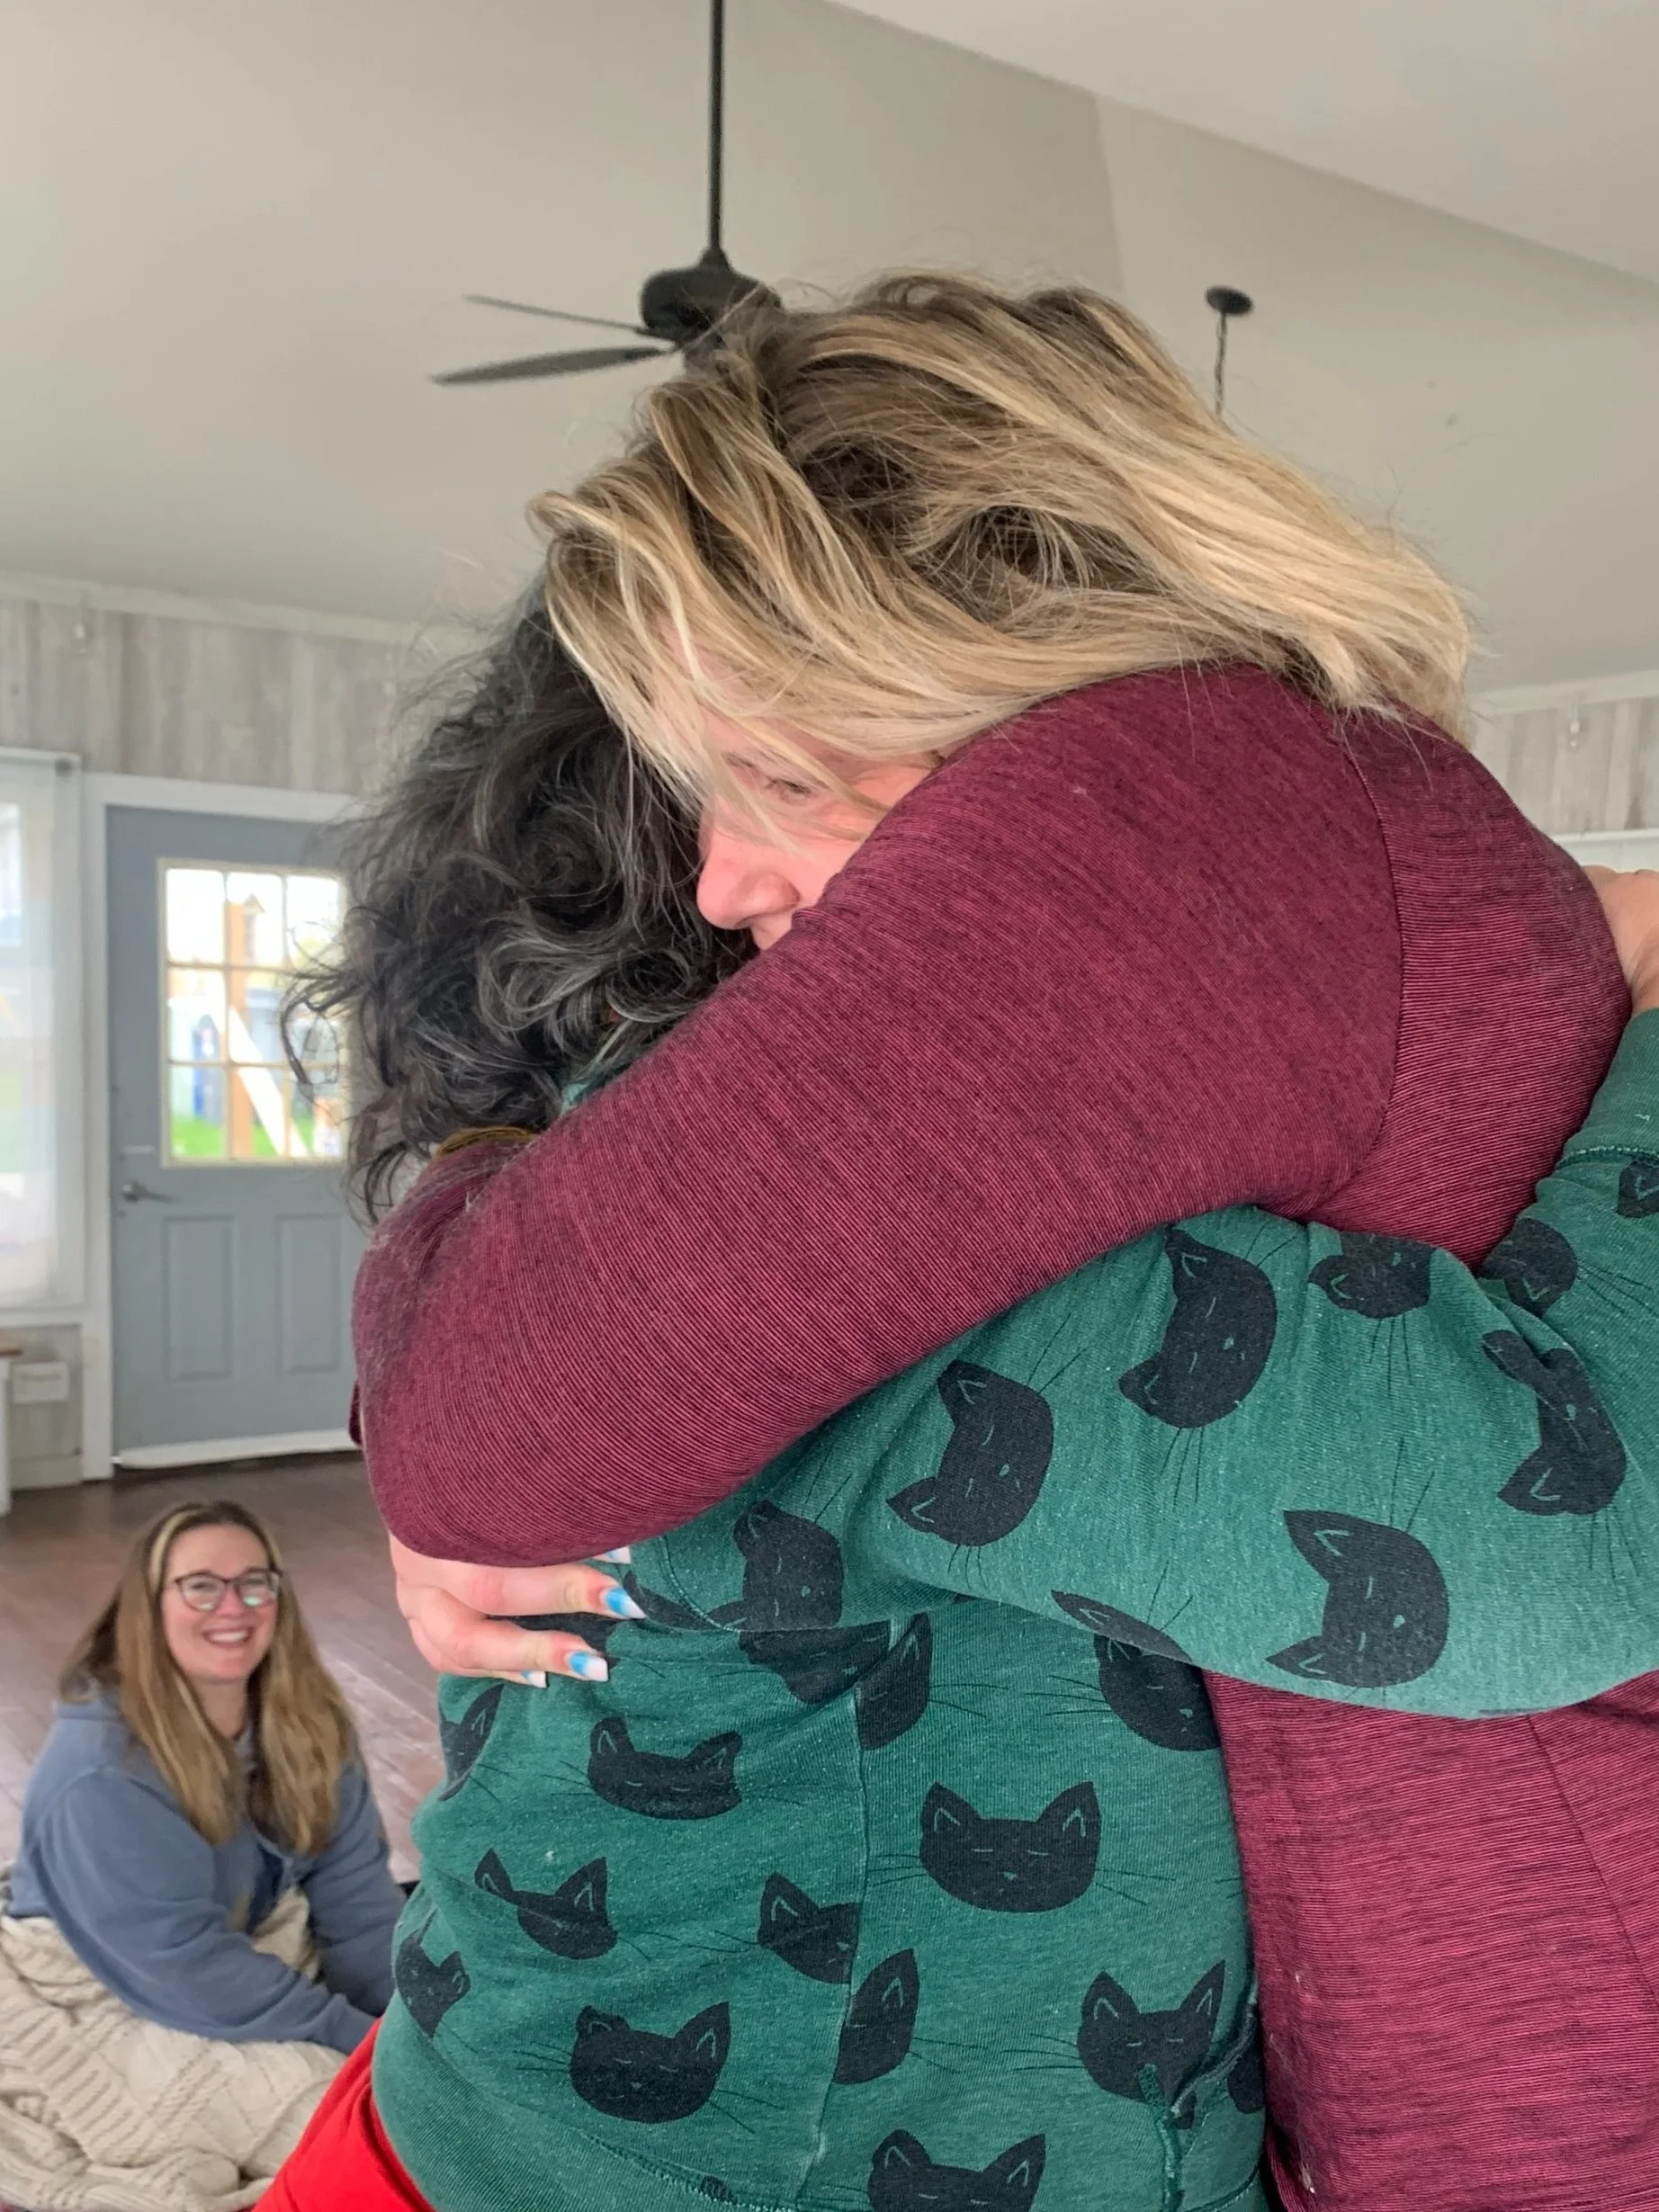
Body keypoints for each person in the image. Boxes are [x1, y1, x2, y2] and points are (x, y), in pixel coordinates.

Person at [345, 278, 1658, 2211]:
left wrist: (454, 1269)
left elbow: (1556, 1545)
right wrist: (461, 1240)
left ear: (967, 644)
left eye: (774, 771)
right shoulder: (1248, 891)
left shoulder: (1179, 819)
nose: (724, 874)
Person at [8, 1500, 403, 2050]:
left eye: (253, 1584)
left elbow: (358, 1903)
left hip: (229, 1939)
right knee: (330, 2095)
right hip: (103, 1976)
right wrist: (368, 2046)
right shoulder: (102, 1773)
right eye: (200, 1587)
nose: (233, 1607)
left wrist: (418, 2022)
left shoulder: (309, 1725)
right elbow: (187, 1968)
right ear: (149, 1608)